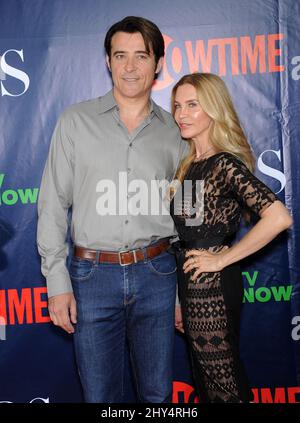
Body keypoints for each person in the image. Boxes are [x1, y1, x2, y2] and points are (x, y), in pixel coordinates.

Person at [37, 16, 187, 403]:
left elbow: (191, 220)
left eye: (141, 56)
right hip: (91, 278)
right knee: (100, 397)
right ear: (108, 61)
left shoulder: (178, 132)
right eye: (121, 55)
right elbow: (53, 204)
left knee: (157, 397)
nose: (130, 67)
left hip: (158, 275)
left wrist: (181, 295)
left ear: (157, 63)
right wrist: (57, 283)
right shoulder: (75, 122)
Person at [170, 73, 292, 403]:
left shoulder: (223, 162)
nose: (182, 113)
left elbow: (279, 217)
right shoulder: (192, 164)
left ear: (213, 108)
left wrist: (222, 258)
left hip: (213, 285)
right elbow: (191, 233)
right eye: (178, 105)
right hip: (192, 284)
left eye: (192, 105)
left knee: (223, 384)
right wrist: (181, 297)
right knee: (208, 382)